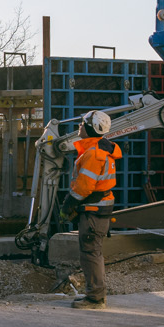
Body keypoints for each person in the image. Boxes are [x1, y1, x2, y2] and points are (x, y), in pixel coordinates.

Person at [67, 110, 121, 307]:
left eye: (82, 123)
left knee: (90, 254)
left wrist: (69, 203)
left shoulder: (93, 154)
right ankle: (95, 294)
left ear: (90, 128)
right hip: (97, 210)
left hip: (93, 211)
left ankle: (95, 298)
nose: (79, 126)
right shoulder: (102, 150)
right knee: (93, 253)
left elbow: (84, 186)